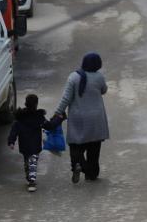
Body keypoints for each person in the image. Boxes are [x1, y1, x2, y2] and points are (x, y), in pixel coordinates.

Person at [54, 53, 110, 183]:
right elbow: (104, 90)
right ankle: (92, 174)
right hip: (96, 118)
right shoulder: (99, 77)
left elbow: (66, 98)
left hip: (78, 117)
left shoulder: (73, 77)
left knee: (76, 146)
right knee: (94, 148)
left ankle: (79, 165)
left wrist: (58, 112)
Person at [8, 94, 55, 192]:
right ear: (36, 104)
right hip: (35, 144)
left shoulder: (20, 117)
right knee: (33, 162)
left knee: (27, 162)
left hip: (24, 144)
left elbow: (14, 130)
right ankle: (32, 181)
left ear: (26, 103)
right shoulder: (39, 117)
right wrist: (58, 119)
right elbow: (48, 126)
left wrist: (11, 141)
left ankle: (29, 178)